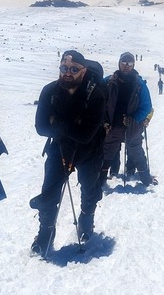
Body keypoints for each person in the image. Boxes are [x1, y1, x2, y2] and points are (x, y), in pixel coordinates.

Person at [30, 50, 106, 255]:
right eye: (64, 68)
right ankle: (46, 231)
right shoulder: (50, 91)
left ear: (84, 71)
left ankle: (86, 217)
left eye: (74, 69)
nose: (68, 72)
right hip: (60, 148)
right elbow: (41, 128)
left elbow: (85, 136)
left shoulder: (96, 95)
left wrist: (56, 122)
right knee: (49, 192)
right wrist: (73, 126)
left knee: (89, 188)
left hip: (90, 150)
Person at [101, 52, 156, 187]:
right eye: (124, 62)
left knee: (136, 152)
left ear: (133, 65)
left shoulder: (140, 84)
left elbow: (146, 106)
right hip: (113, 125)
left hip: (133, 126)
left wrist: (134, 118)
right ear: (119, 63)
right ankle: (100, 180)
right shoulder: (108, 81)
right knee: (107, 152)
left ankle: (146, 179)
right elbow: (99, 100)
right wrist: (104, 119)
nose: (126, 65)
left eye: (129, 63)